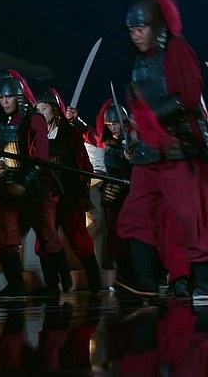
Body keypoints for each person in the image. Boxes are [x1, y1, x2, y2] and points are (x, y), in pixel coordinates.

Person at [118, 0, 208, 300]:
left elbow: (188, 98)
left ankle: (206, 281)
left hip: (180, 146)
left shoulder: (177, 50)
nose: (136, 34)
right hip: (149, 150)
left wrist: (151, 116)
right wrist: (136, 126)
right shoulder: (140, 61)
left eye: (141, 27)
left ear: (156, 26)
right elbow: (141, 105)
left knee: (191, 216)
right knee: (136, 210)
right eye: (131, 29)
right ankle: (144, 280)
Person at [0, 71, 64, 298]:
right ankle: (15, 286)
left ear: (18, 98)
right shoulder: (2, 123)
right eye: (1, 98)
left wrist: (24, 184)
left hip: (36, 183)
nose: (5, 101)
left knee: (46, 238)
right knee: (7, 238)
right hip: (10, 179)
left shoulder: (34, 120)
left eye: (8, 97)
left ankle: (52, 286)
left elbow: (41, 158)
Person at [35, 88, 100, 293]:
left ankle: (95, 284)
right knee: (43, 242)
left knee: (80, 240)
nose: (40, 112)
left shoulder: (70, 133)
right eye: (37, 109)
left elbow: (85, 165)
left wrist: (81, 194)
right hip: (46, 196)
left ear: (54, 109)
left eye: (44, 108)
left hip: (69, 196)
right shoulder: (34, 136)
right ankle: (52, 285)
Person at [92, 100, 135, 289]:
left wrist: (130, 156)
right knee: (114, 239)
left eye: (115, 123)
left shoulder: (134, 140)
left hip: (130, 194)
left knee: (131, 237)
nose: (113, 127)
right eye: (109, 124)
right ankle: (126, 275)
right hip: (112, 194)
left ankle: (135, 275)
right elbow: (89, 134)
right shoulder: (108, 142)